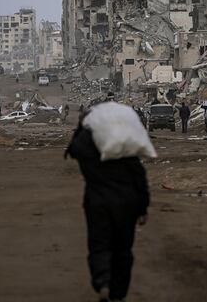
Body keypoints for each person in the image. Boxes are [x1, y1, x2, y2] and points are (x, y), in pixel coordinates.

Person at [65, 110, 149, 302]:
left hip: (97, 202)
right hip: (125, 203)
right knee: (123, 249)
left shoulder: (85, 145)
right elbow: (139, 176)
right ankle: (118, 293)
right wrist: (143, 207)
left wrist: (82, 126)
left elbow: (74, 147)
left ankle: (103, 282)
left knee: (99, 245)